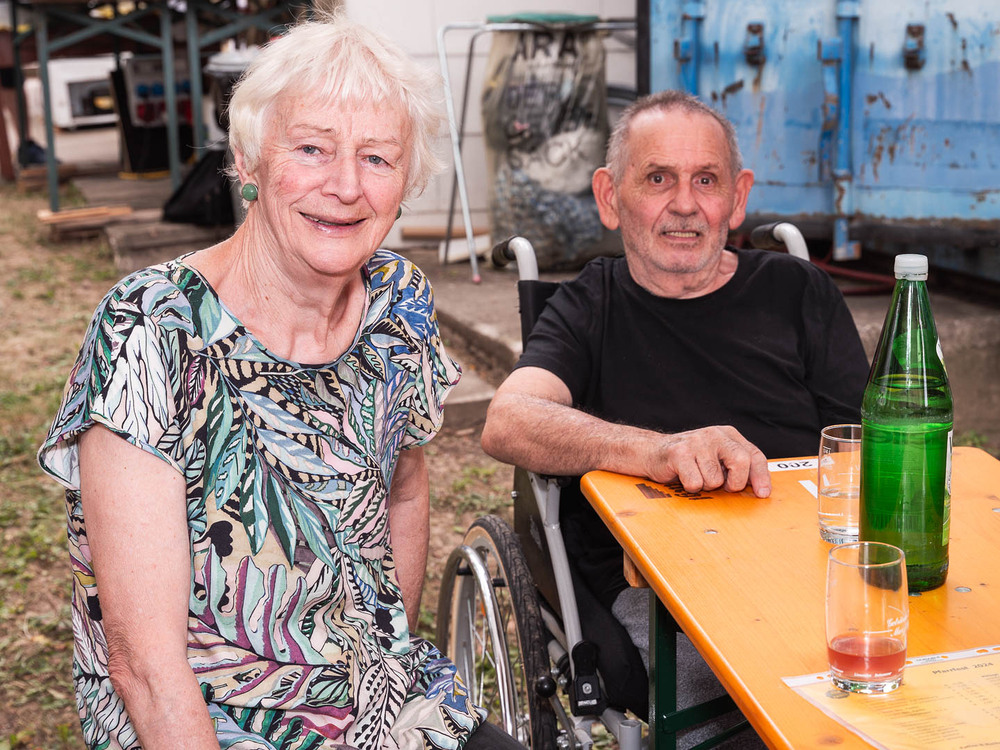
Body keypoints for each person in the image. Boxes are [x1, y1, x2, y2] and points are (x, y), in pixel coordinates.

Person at [38, 15, 523, 750]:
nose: (346, 187)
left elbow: (403, 488)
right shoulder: (153, 328)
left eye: (377, 158)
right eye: (311, 149)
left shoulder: (398, 303)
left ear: (407, 180)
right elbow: (145, 668)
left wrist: (385, 683)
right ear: (247, 160)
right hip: (217, 718)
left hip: (374, 702)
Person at [481, 90, 869, 741]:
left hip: (808, 569)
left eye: (706, 180)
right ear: (610, 197)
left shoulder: (800, 291)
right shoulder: (589, 306)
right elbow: (508, 420)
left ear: (738, 198)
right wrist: (657, 452)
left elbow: (863, 444)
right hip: (665, 592)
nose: (685, 204)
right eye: (658, 178)